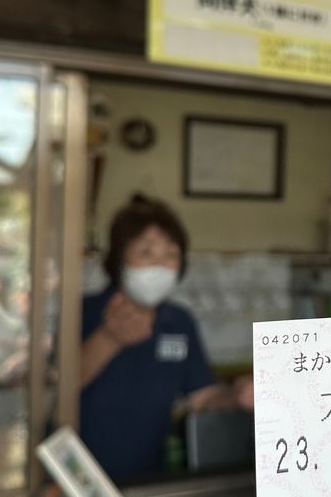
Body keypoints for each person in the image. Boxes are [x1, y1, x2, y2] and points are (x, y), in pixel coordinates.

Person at [81, 194, 251, 482]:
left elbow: (201, 397)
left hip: (149, 480)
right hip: (76, 478)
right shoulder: (85, 311)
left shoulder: (179, 321)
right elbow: (55, 388)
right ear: (119, 259)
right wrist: (110, 339)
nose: (160, 265)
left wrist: (235, 395)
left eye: (171, 254)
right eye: (146, 253)